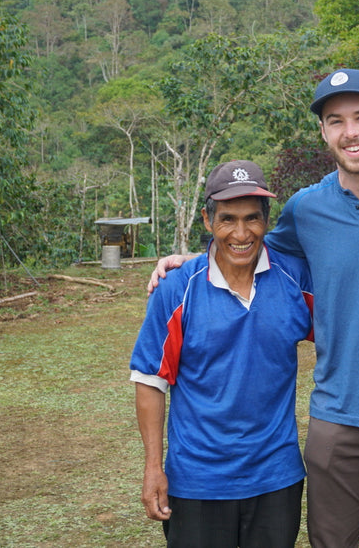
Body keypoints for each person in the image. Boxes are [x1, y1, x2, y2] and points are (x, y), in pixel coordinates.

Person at [148, 69, 359, 548]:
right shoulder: (306, 209)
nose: (351, 131)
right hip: (335, 413)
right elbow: (248, 243)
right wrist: (189, 262)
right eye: (336, 120)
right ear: (324, 132)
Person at [130, 160, 313, 548]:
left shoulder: (295, 279)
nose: (241, 233)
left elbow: (350, 323)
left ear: (268, 220)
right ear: (207, 220)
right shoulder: (177, 289)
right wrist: (152, 468)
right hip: (198, 480)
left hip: (276, 476)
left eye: (253, 219)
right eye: (228, 219)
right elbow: (150, 380)